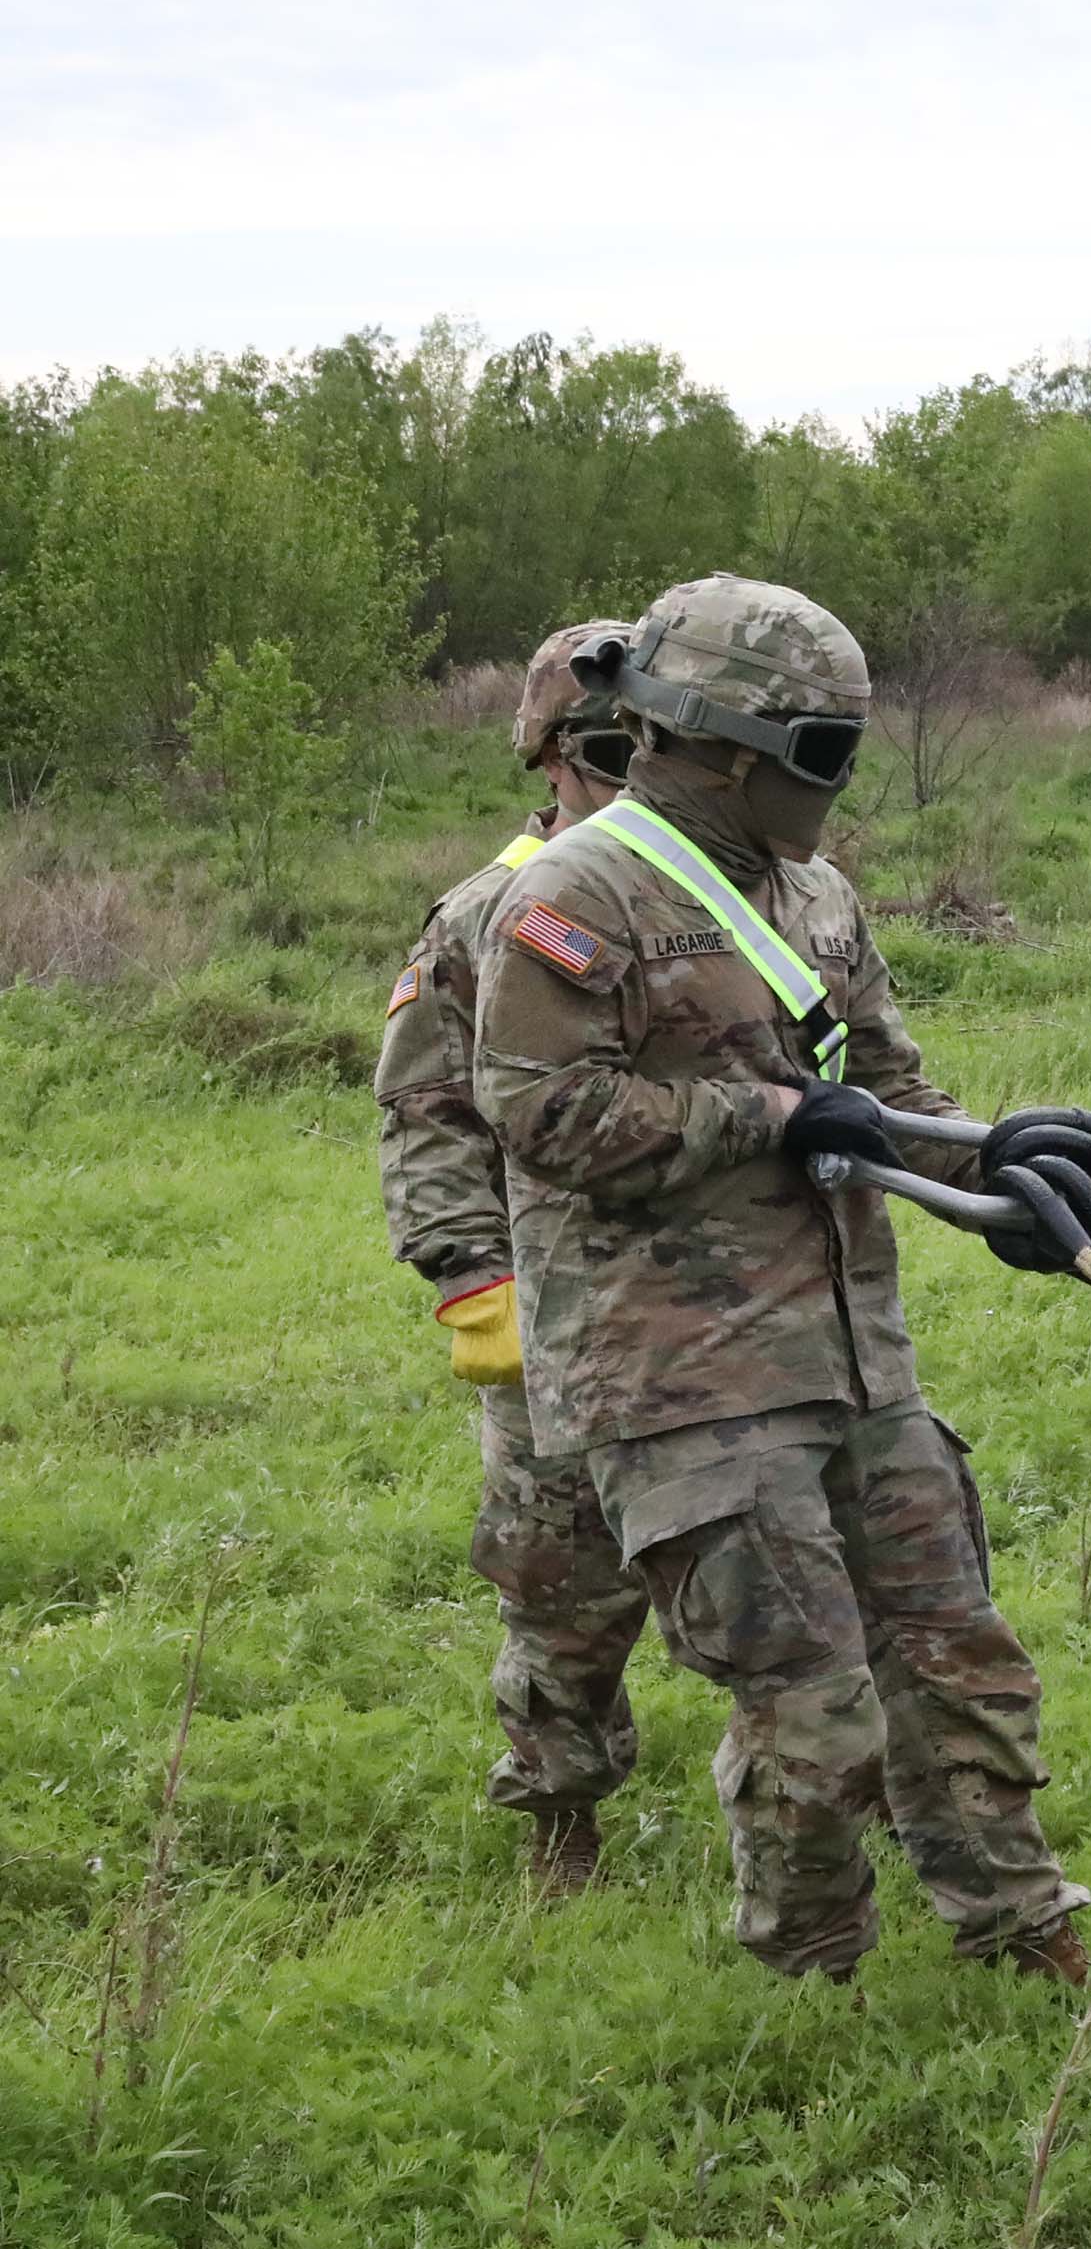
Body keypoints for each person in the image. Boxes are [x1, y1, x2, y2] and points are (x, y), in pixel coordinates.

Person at [473, 574, 1091, 1988]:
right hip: (681, 1372)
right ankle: (811, 1982)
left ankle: (1021, 1927)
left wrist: (1019, 1178)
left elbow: (886, 1084)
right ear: (726, 746)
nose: (837, 786)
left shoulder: (815, 895)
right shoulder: (572, 896)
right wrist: (767, 1117)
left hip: (851, 1350)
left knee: (956, 1654)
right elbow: (543, 1115)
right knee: (813, 1705)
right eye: (823, 752)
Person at [376, 621, 660, 1893]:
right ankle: (562, 1822)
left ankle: (838, 1802)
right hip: (552, 1306)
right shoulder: (487, 914)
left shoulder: (732, 893)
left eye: (658, 745)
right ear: (549, 757)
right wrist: (471, 1283)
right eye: (606, 749)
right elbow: (425, 1110)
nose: (631, 772)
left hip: (723, 1292)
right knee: (559, 1579)